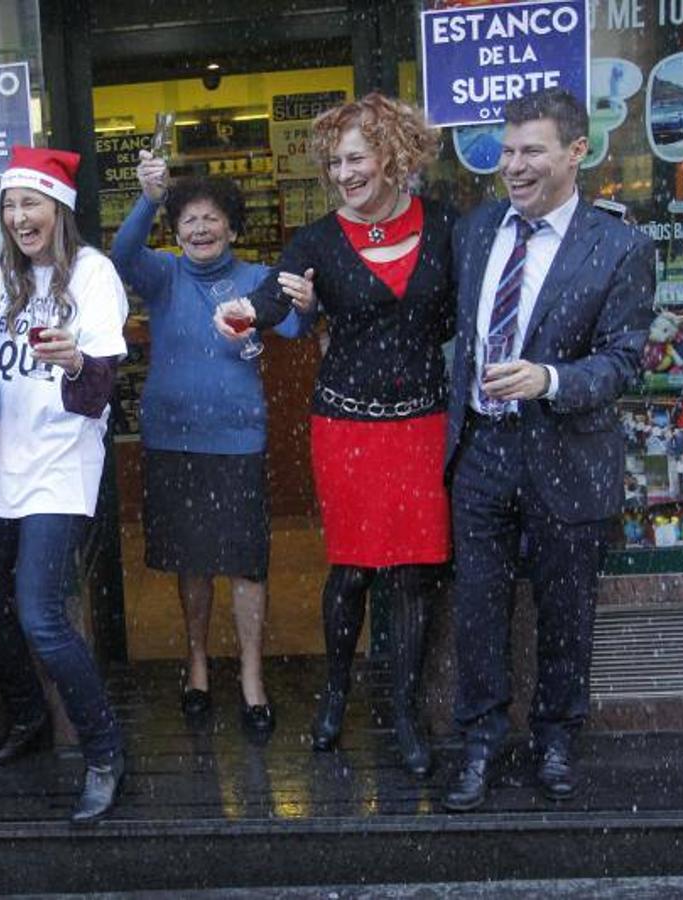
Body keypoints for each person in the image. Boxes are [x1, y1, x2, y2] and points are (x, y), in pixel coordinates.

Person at [215, 93, 455, 777]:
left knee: (409, 576)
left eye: (354, 157)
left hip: (421, 426)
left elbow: (464, 313)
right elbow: (268, 299)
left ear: (391, 155)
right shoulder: (317, 240)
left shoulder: (443, 227)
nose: (343, 172)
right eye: (334, 161)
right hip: (345, 425)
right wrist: (241, 312)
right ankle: (335, 694)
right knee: (349, 571)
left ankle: (404, 713)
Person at [440, 88, 654, 812]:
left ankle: (556, 739)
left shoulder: (619, 245)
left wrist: (550, 378)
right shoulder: (473, 232)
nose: (513, 166)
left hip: (566, 452)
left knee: (566, 610)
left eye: (530, 150)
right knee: (477, 610)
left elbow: (626, 361)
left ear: (575, 152)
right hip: (481, 452)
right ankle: (479, 743)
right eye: (505, 152)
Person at [0, 146, 129, 822]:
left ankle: (103, 751)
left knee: (41, 617)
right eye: (8, 204)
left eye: (30, 202)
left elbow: (100, 392)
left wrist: (77, 358)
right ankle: (28, 713)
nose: (18, 215)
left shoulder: (93, 274)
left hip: (59, 466)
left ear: (58, 210)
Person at [110, 151, 290, 734]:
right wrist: (150, 197)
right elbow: (122, 255)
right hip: (173, 438)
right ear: (177, 230)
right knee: (191, 562)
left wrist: (295, 306)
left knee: (246, 564)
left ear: (233, 227)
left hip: (238, 441)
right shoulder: (163, 274)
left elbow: (294, 323)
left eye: (212, 218)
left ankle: (252, 676)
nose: (200, 228)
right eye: (188, 219)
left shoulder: (257, 280)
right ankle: (196, 665)